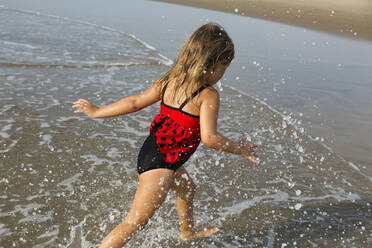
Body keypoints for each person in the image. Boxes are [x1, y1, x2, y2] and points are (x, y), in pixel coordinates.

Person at [73, 23, 259, 248]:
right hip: (161, 163)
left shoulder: (171, 79)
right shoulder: (208, 95)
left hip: (158, 151)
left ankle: (187, 232)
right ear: (209, 64)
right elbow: (209, 137)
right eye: (223, 67)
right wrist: (237, 148)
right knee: (135, 223)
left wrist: (98, 111)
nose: (223, 74)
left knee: (187, 188)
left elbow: (134, 102)